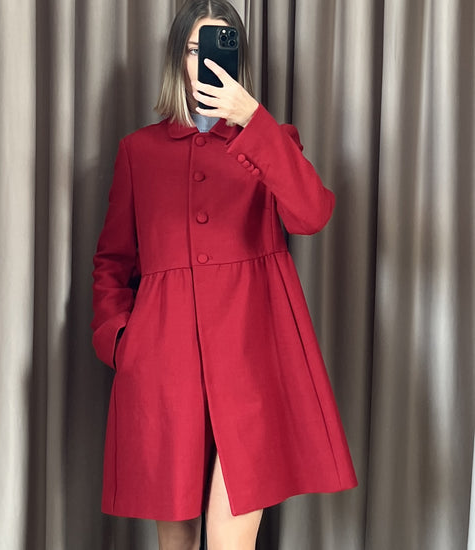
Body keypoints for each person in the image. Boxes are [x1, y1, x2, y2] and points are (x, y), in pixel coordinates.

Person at [91, 1, 358, 548]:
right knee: (176, 541)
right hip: (163, 366)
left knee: (230, 536)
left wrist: (252, 120)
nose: (205, 61)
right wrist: (121, 341)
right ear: (178, 58)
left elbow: (311, 214)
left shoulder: (270, 141)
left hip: (252, 358)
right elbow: (113, 261)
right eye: (194, 49)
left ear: (238, 60)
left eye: (218, 47)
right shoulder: (139, 151)